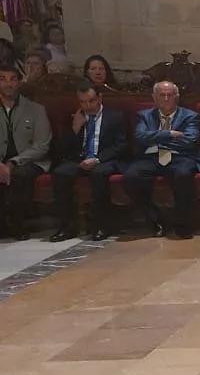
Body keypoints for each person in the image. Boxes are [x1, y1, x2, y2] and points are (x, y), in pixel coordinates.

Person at [122, 80, 200, 238]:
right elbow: (140, 137)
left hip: (180, 156)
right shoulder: (145, 115)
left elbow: (190, 141)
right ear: (155, 98)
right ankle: (157, 219)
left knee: (183, 175)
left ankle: (181, 223)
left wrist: (154, 137)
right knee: (131, 176)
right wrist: (169, 134)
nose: (166, 99)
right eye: (161, 95)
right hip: (151, 156)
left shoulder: (190, 116)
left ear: (176, 97)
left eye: (169, 95)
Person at [50, 80, 128, 242]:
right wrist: (75, 128)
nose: (88, 106)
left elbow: (121, 146)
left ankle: (102, 226)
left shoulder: (115, 116)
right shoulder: (76, 116)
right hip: (80, 159)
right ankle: (67, 227)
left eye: (91, 101)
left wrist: (97, 159)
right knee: (60, 173)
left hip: (106, 160)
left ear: (99, 98)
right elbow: (62, 148)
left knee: (99, 174)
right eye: (83, 102)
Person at [0, 63, 52, 237]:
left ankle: (18, 224)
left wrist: (14, 162)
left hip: (30, 160)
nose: (8, 84)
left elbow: (42, 145)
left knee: (20, 175)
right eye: (3, 79)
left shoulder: (36, 110)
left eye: (13, 79)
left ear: (19, 82)